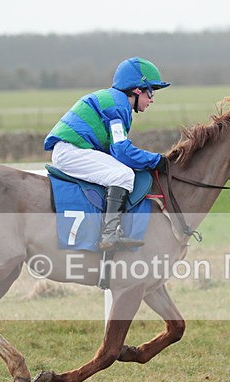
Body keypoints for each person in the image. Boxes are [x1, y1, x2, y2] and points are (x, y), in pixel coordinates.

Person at [44, 57, 170, 251]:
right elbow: (121, 151)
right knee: (123, 174)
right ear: (137, 90)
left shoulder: (116, 101)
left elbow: (116, 150)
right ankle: (109, 234)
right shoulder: (118, 106)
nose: (152, 99)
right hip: (72, 152)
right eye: (151, 92)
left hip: (74, 149)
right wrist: (155, 160)